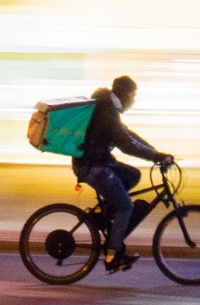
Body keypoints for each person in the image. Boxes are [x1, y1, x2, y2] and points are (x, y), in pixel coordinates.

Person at [73, 75, 173, 273]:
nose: (133, 100)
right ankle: (112, 256)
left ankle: (105, 215)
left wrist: (155, 151)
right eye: (133, 95)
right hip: (93, 166)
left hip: (98, 162)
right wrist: (154, 157)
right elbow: (126, 144)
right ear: (126, 94)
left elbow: (127, 134)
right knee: (126, 207)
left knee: (132, 175)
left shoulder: (108, 107)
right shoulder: (107, 111)